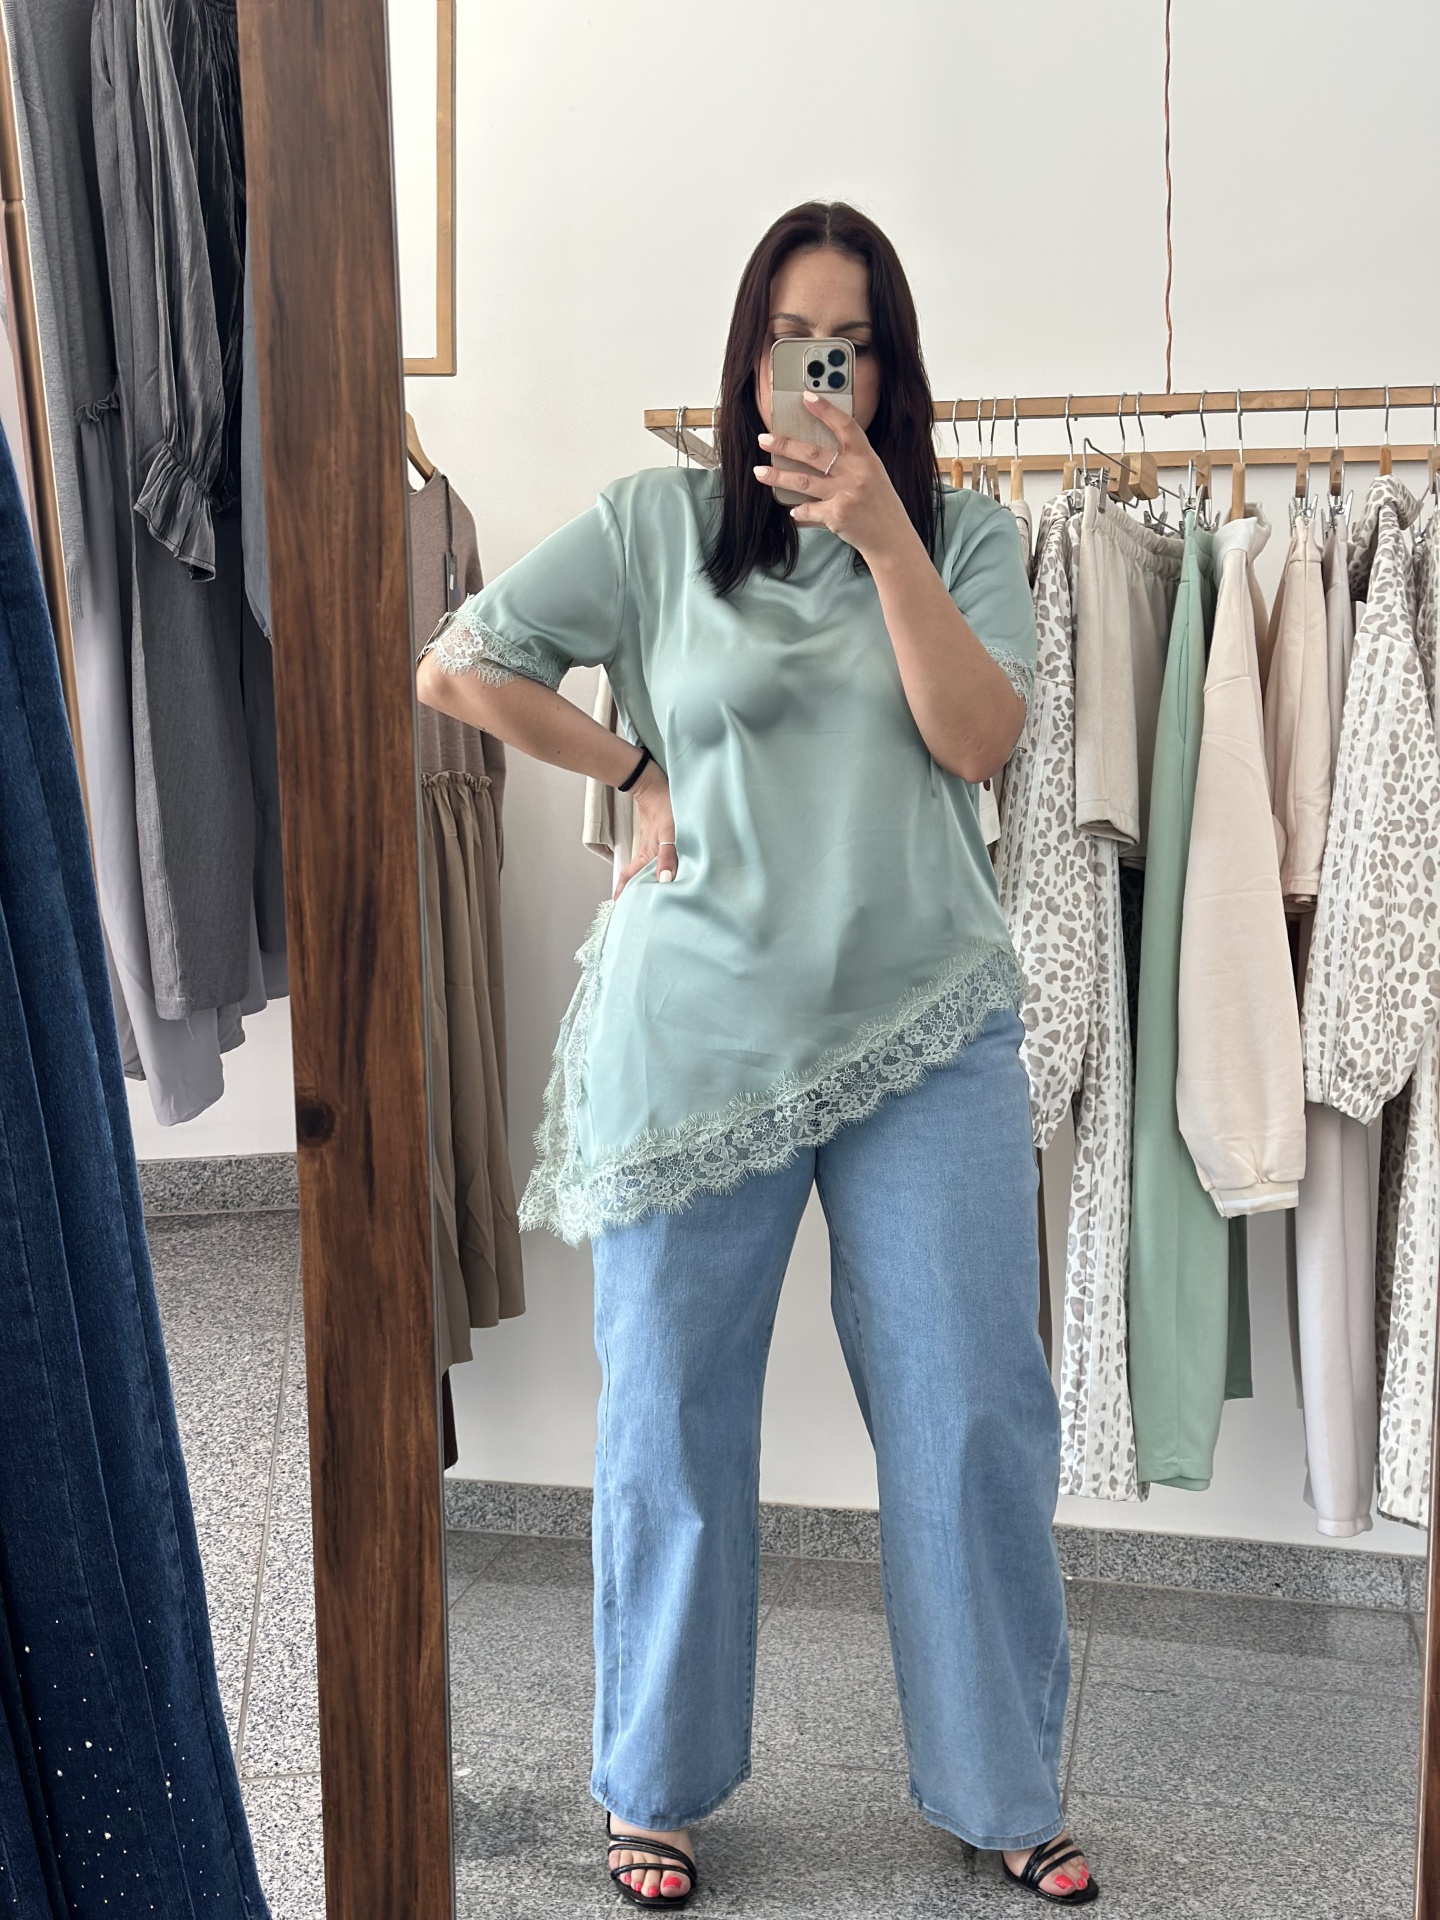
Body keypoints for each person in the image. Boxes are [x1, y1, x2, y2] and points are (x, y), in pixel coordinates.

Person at [417, 200, 1096, 1910]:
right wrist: (629, 766)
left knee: (972, 1411)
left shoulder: (968, 538)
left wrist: (885, 542)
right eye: (795, 341)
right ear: (747, 361)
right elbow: (460, 664)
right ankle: (651, 1785)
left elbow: (980, 741)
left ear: (892, 369)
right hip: (699, 1036)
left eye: (850, 344)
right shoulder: (655, 526)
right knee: (670, 1414)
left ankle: (1005, 1787)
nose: (821, 373)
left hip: (924, 1027)